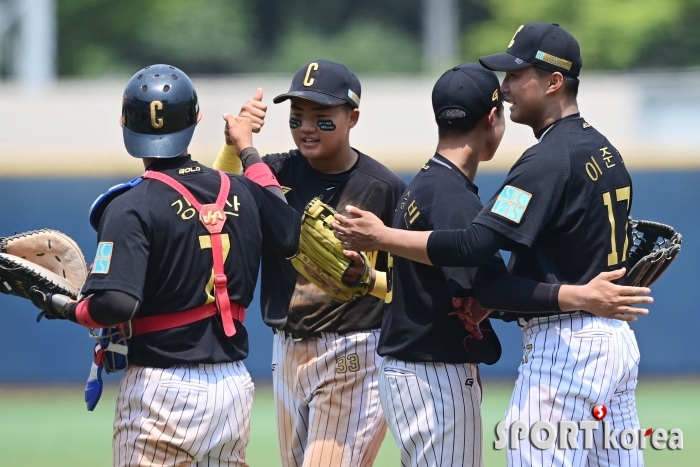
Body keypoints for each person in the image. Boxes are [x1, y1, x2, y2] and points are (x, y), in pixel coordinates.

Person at [333, 24, 650, 466]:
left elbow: (475, 244)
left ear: (553, 81)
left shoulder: (545, 161)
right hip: (613, 343)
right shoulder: (604, 150)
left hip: (567, 350)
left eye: (518, 76)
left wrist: (383, 237)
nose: (506, 87)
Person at [33, 64, 300, 467]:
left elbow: (116, 306)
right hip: (231, 385)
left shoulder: (129, 207)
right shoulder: (242, 189)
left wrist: (66, 308)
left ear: (125, 123)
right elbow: (287, 232)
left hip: (161, 390)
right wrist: (247, 150)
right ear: (196, 119)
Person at [214, 59, 406, 467]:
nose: (306, 128)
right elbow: (217, 203)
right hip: (286, 350)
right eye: (297, 118)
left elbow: (409, 284)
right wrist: (233, 146)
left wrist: (371, 280)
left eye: (322, 119)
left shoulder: (385, 188)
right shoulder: (277, 169)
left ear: (352, 117)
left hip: (354, 350)